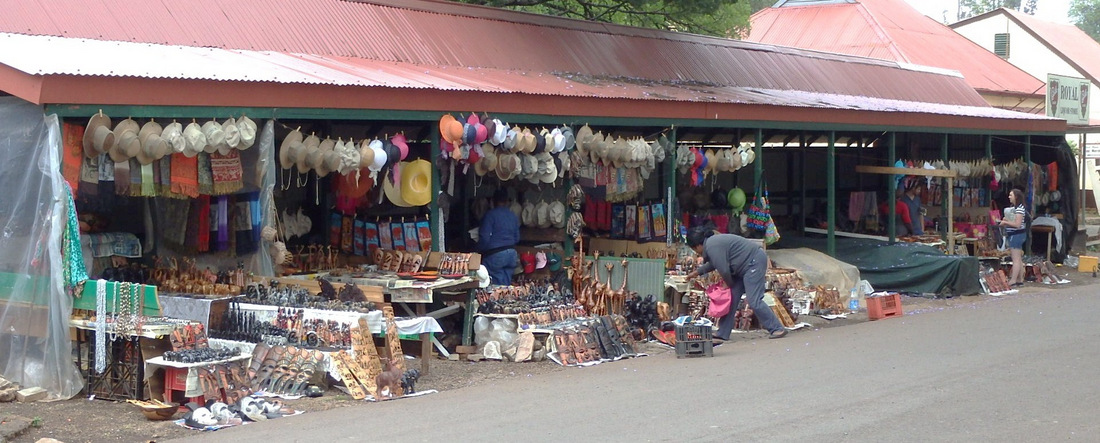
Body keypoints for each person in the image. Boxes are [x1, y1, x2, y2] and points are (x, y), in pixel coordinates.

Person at [684, 227, 788, 341]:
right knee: (731, 298)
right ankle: (723, 332)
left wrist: (728, 283)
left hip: (753, 263)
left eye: (695, 250)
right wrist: (696, 273)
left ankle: (777, 328)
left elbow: (723, 269)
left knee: (754, 300)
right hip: (741, 268)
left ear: (697, 246)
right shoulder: (712, 243)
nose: (696, 253)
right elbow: (714, 263)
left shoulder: (712, 246)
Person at [478, 189, 520, 286]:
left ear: (492, 201)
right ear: (507, 202)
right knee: (506, 286)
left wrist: (479, 251)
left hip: (495, 255)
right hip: (511, 255)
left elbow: (484, 238)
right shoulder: (513, 216)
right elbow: (517, 238)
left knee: (494, 286)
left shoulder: (490, 215)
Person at [1000, 188, 1028, 287]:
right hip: (1017, 234)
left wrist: (1005, 222)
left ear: (1016, 197)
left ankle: (1013, 280)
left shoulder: (1019, 209)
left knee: (1015, 258)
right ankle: (1020, 279)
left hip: (1016, 235)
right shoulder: (1015, 208)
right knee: (1018, 258)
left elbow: (1017, 224)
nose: (1009, 197)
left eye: (1011, 195)